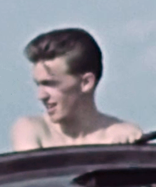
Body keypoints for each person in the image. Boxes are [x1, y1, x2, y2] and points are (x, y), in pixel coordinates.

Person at [10, 27, 143, 151]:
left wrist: (127, 151)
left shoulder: (122, 133)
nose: (41, 96)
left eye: (51, 84)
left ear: (86, 83)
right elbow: (35, 173)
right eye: (39, 84)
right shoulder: (32, 129)